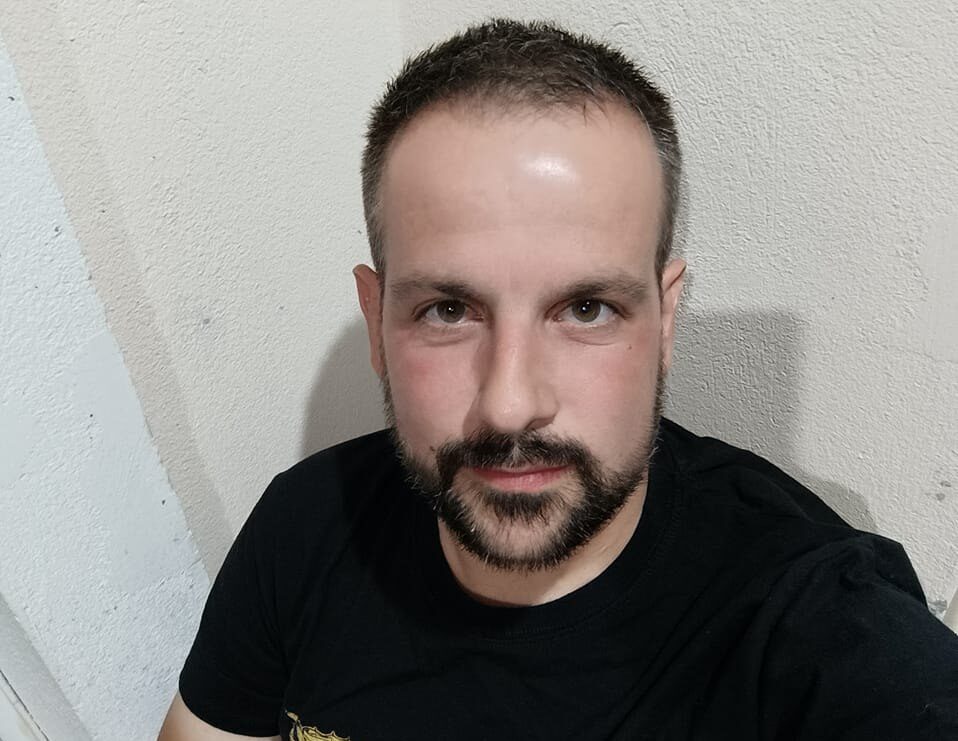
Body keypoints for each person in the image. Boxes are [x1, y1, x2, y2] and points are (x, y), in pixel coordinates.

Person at [159, 18, 958, 741]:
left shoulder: (813, 622)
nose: (511, 404)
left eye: (586, 308)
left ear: (665, 320)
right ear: (376, 321)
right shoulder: (303, 529)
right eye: (447, 310)